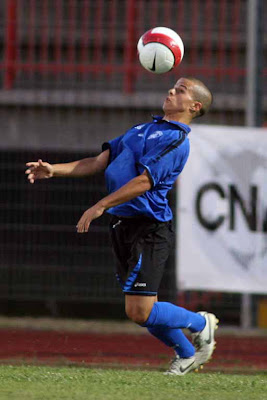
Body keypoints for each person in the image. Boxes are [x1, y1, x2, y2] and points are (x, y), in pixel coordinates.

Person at [25, 77, 218, 376]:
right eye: (173, 87)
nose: (170, 91)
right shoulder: (140, 129)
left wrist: (102, 204)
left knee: (139, 310)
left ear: (194, 106)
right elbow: (98, 161)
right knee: (140, 312)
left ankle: (200, 323)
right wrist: (55, 170)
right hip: (122, 226)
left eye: (180, 90)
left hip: (149, 228)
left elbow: (144, 181)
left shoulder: (177, 140)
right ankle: (187, 353)